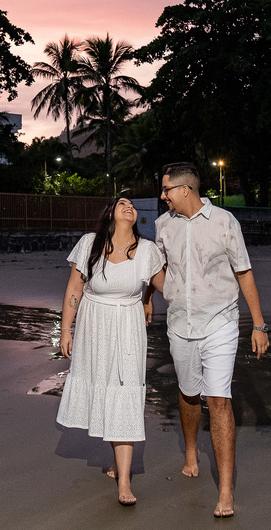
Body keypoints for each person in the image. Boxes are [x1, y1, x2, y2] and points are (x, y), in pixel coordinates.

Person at [154, 161, 269, 518]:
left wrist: (259, 325)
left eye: (166, 190)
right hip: (179, 323)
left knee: (219, 400)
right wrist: (154, 295)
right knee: (189, 392)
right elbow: (157, 268)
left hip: (220, 322)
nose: (163, 196)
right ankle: (191, 449)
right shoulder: (162, 226)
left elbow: (243, 271)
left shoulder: (224, 222)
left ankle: (225, 490)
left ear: (185, 190)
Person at [56, 197, 165, 506]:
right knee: (103, 390)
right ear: (110, 214)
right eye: (121, 202)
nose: (128, 205)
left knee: (125, 391)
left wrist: (148, 297)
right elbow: (75, 288)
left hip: (128, 327)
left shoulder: (146, 251)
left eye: (132, 204)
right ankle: (115, 459)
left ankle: (125, 482)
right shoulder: (90, 243)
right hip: (93, 325)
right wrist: (66, 329)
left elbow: (165, 283)